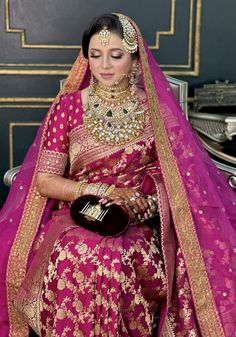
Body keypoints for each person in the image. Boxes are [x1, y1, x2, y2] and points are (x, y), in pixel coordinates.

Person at [0, 13, 236, 337]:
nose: (105, 65)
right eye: (95, 55)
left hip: (136, 222)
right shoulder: (67, 107)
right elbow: (46, 181)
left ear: (135, 58)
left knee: (117, 255)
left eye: (116, 55)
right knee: (81, 252)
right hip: (80, 214)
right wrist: (105, 192)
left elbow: (182, 181)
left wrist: (148, 204)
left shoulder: (158, 112)